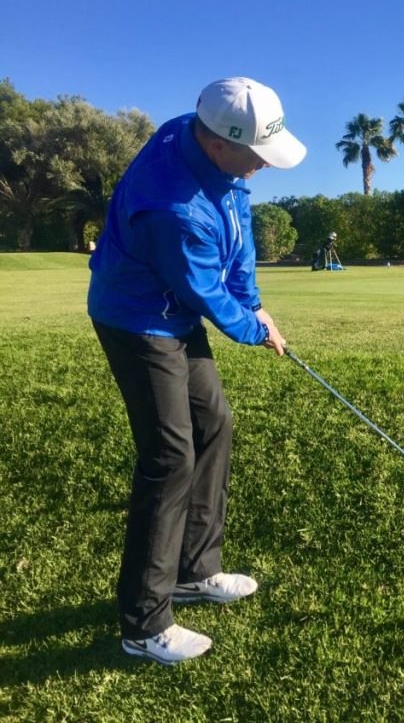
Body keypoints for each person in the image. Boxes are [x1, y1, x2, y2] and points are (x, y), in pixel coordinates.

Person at [87, 77, 306, 665]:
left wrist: (255, 302)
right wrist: (254, 328)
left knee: (214, 426)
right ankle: (144, 623)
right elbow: (204, 290)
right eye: (257, 154)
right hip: (136, 318)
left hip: (173, 312)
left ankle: (193, 570)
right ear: (216, 144)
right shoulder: (174, 210)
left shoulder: (205, 140)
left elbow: (238, 222)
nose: (264, 165)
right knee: (169, 457)